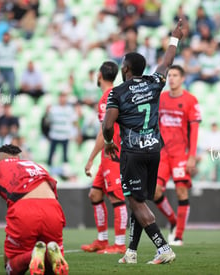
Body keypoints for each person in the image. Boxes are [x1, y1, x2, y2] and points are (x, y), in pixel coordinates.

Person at [102, 19, 184, 265]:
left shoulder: (117, 92)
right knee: (139, 200)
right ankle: (132, 252)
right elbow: (167, 61)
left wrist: (108, 142)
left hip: (132, 153)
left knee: (135, 201)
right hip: (154, 151)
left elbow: (107, 125)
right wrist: (175, 38)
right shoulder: (154, 82)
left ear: (126, 68)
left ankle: (163, 247)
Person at [0, 144, 69, 275]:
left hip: (24, 210)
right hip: (53, 208)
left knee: (11, 268)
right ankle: (50, 253)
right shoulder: (37, 166)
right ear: (18, 158)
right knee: (50, 269)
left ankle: (31, 255)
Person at [82, 61, 128, 254]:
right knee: (95, 194)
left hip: (113, 154)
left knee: (116, 197)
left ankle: (119, 244)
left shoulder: (107, 98)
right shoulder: (112, 94)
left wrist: (91, 157)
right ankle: (102, 240)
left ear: (99, 75)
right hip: (107, 155)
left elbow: (104, 132)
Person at [153, 65, 201, 247]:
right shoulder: (161, 98)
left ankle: (179, 235)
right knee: (155, 191)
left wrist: (192, 156)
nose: (171, 78)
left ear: (182, 79)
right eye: (169, 75)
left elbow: (195, 130)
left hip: (181, 153)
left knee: (182, 191)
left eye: (175, 75)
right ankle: (173, 220)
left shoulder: (191, 100)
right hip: (162, 153)